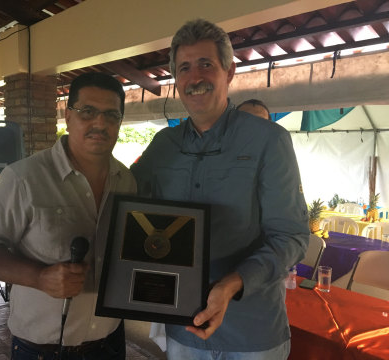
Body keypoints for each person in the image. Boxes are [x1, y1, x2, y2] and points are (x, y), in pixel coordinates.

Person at [131, 19, 309, 359]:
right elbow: (128, 208)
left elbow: (292, 237)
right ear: (176, 80)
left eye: (206, 65)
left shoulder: (268, 140)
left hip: (253, 334)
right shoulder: (162, 146)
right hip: (184, 330)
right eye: (184, 68)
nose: (195, 77)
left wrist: (231, 284)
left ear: (229, 71)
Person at [0, 72, 136, 360]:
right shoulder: (23, 177)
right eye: (88, 111)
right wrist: (40, 277)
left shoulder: (127, 180)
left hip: (110, 342)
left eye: (111, 115)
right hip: (42, 350)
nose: (99, 123)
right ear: (68, 115)